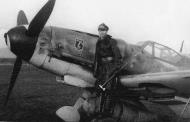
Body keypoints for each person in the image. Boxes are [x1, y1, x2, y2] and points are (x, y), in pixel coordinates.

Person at [93, 23, 122, 115]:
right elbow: (96, 57)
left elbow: (118, 56)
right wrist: (95, 70)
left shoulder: (111, 41)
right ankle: (98, 108)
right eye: (100, 30)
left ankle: (107, 110)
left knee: (108, 89)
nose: (102, 32)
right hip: (102, 67)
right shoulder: (98, 42)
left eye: (104, 31)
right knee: (99, 87)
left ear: (106, 31)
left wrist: (115, 69)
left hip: (110, 66)